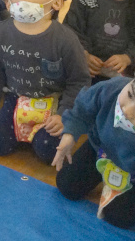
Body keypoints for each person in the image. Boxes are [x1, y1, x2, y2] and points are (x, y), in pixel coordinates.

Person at [0, 0, 91, 164]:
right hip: (16, 99)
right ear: (8, 3)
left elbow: (79, 81)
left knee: (49, 150)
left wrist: (64, 115)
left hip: (54, 102)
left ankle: (36, 137)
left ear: (57, 2)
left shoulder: (65, 39)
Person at [52, 77, 135, 230]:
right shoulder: (112, 88)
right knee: (67, 185)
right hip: (99, 149)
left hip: (131, 171)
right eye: (130, 95)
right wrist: (70, 134)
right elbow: (83, 109)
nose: (127, 111)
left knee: (118, 217)